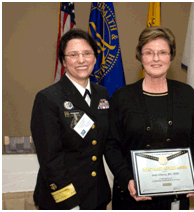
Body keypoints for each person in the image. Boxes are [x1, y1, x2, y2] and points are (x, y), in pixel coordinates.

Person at [104, 26, 194, 210]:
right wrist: (127, 178)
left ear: (171, 56)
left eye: (162, 52)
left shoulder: (186, 94)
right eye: (149, 52)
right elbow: (111, 145)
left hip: (176, 195)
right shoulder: (122, 97)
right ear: (140, 56)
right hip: (132, 196)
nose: (156, 58)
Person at [30, 29, 111, 210]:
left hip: (96, 196)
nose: (81, 60)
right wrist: (69, 203)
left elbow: (104, 141)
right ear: (63, 60)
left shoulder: (102, 94)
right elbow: (50, 159)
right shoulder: (48, 98)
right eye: (73, 55)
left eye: (87, 53)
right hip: (64, 200)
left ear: (95, 58)